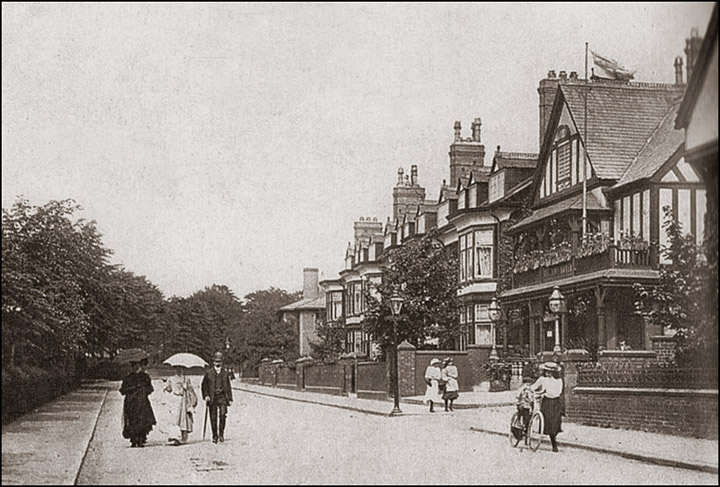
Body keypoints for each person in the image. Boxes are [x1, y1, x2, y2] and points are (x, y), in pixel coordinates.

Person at [119, 358, 156, 448]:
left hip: (142, 402)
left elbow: (150, 389)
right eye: (134, 366)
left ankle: (140, 439)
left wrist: (143, 390)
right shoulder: (128, 378)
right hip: (131, 403)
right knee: (132, 420)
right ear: (132, 367)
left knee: (142, 420)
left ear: (140, 366)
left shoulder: (145, 377)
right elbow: (122, 391)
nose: (136, 367)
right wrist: (131, 388)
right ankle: (133, 439)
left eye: (138, 366)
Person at [531, 362, 564, 452]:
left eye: (550, 372)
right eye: (546, 372)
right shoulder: (542, 379)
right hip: (547, 402)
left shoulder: (559, 381)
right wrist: (531, 389)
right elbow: (534, 387)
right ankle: (554, 444)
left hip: (556, 402)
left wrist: (545, 392)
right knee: (549, 422)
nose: (548, 374)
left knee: (556, 422)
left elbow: (558, 391)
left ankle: (554, 439)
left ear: (554, 372)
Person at [202, 351, 233, 443]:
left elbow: (228, 386)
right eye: (216, 361)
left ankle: (221, 434)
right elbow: (204, 386)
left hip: (223, 396)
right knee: (213, 417)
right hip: (212, 397)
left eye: (219, 361)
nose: (218, 363)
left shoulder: (225, 373)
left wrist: (230, 398)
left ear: (222, 362)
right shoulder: (208, 373)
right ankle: (214, 435)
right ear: (213, 362)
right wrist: (206, 395)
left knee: (223, 415)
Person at [163, 365, 198, 446]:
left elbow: (191, 391)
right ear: (174, 369)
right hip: (175, 399)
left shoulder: (186, 379)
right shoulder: (171, 379)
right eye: (177, 368)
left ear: (183, 369)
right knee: (175, 418)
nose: (178, 370)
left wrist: (187, 388)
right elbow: (169, 389)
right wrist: (166, 386)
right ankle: (174, 437)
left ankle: (183, 437)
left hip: (184, 400)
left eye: (180, 368)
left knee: (184, 418)